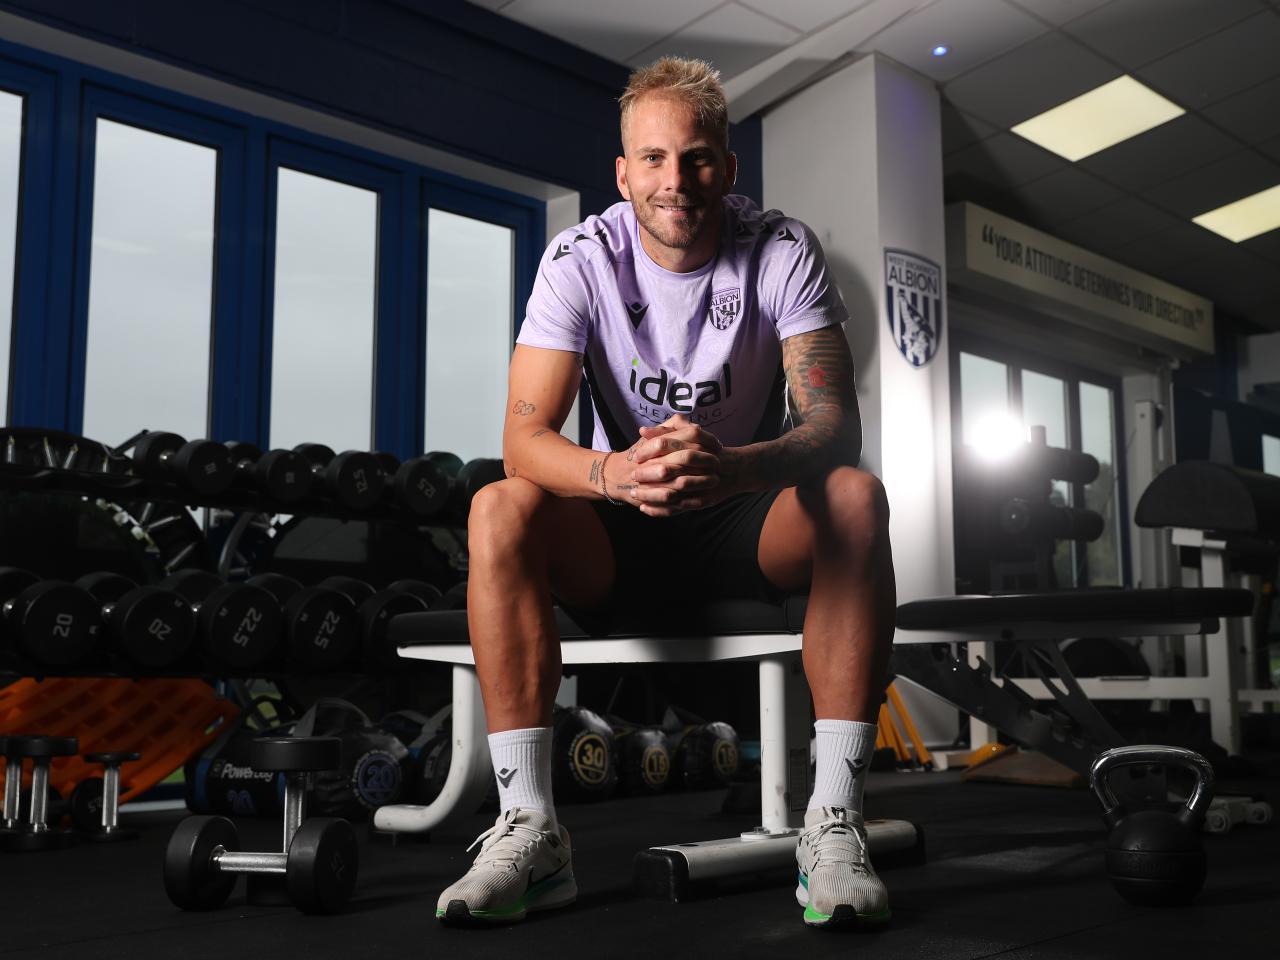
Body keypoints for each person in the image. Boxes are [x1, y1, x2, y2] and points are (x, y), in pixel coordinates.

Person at [436, 56, 896, 930]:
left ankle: (833, 824)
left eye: (695, 158)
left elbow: (834, 423)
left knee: (855, 496)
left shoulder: (781, 249)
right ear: (622, 173)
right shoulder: (580, 259)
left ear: (727, 167)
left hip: (745, 516)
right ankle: (530, 828)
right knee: (498, 501)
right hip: (621, 524)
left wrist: (736, 467)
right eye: (652, 160)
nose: (674, 181)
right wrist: (613, 472)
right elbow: (523, 439)